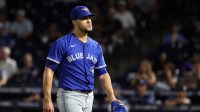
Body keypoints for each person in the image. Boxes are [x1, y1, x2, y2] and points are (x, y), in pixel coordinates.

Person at [43, 6, 123, 112]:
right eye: (84, 18)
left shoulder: (96, 46)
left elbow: (103, 74)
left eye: (90, 18)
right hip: (70, 95)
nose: (89, 21)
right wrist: (47, 99)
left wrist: (112, 97)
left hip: (89, 96)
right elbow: (49, 70)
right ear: (75, 22)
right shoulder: (62, 43)